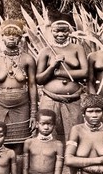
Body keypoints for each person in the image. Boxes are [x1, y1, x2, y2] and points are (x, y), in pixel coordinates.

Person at [36, 13, 88, 143]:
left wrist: (59, 73)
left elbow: (85, 73)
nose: (60, 34)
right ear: (51, 31)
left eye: (64, 31)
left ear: (69, 31)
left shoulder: (78, 48)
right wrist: (53, 66)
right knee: (49, 134)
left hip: (73, 99)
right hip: (50, 99)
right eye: (56, 31)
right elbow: (39, 79)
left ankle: (71, 161)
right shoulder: (46, 51)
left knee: (74, 136)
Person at [0, 19, 37, 151]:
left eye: (15, 35)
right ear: (2, 38)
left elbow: (32, 86)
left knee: (20, 144)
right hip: (0, 104)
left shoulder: (28, 59)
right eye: (7, 34)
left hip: (22, 105)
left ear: (20, 38)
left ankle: (19, 171)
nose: (11, 37)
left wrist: (33, 114)